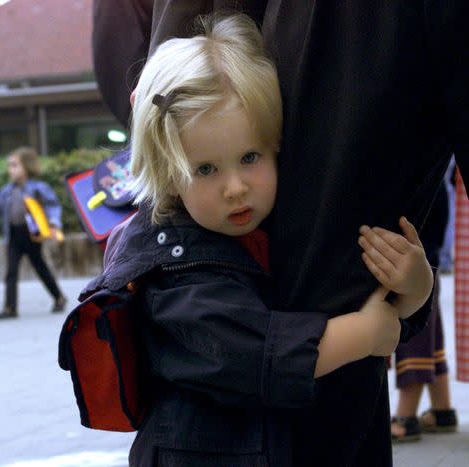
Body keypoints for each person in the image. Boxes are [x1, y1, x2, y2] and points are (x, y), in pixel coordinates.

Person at [92, 2, 467, 464]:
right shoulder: (173, 268)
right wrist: (364, 334)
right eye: (206, 169)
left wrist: (413, 288)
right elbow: (251, 354)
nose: (235, 188)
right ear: (169, 174)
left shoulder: (268, 230)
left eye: (250, 158)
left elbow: (370, 303)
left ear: (277, 146)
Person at [391, 185, 458, 441]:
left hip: (416, 248)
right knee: (429, 317)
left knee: (414, 325)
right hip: (428, 247)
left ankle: (406, 416)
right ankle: (442, 410)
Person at [0, 146, 67, 319]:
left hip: (31, 235)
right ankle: (10, 307)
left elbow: (52, 206)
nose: (10, 170)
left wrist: (53, 224)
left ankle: (59, 297)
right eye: (9, 166)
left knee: (40, 267)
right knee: (11, 271)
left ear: (27, 166)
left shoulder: (38, 188)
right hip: (13, 235)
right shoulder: (6, 190)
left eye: (15, 165)